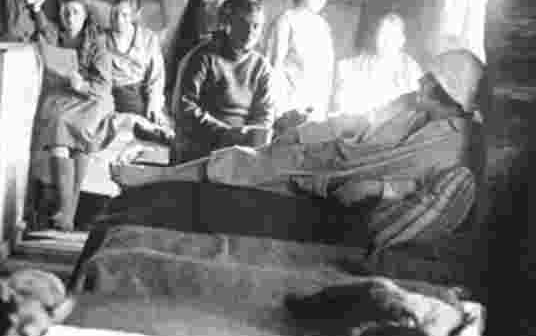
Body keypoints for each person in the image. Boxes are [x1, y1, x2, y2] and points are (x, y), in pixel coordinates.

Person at [113, 50, 484, 246]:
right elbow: (354, 120)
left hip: (340, 180)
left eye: (429, 80)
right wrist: (304, 133)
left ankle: (152, 180)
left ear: (446, 91)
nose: (420, 81)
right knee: (244, 158)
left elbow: (426, 185)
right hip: (328, 155)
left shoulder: (454, 143)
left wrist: (380, 188)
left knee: (239, 164)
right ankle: (155, 177)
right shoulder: (407, 103)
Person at [32, 0, 113, 231]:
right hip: (63, 96)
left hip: (91, 99)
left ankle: (65, 212)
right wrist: (36, 10)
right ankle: (66, 213)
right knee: (58, 119)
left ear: (85, 15)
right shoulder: (54, 34)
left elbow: (104, 86)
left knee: (72, 127)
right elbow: (42, 29)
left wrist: (83, 85)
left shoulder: (97, 43)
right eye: (65, 11)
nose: (70, 17)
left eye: (76, 12)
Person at [171, 0, 276, 162]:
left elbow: (264, 115)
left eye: (256, 26)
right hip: (199, 145)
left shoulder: (261, 67)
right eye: (243, 24)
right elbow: (183, 108)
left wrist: (249, 136)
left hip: (240, 148)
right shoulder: (202, 57)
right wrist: (225, 133)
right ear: (227, 24)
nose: (250, 32)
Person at [263, 0, 335, 124]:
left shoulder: (322, 26)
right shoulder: (285, 21)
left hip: (314, 110)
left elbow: (325, 73)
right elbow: (272, 68)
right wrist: (278, 111)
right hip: (288, 109)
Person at [331, 12, 423, 118]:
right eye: (382, 34)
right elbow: (345, 104)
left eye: (392, 36)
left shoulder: (411, 69)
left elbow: (416, 106)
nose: (386, 41)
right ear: (376, 37)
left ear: (402, 41)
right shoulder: (352, 66)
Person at [104, 0, 166, 124]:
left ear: (134, 15)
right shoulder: (101, 37)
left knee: (143, 126)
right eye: (114, 14)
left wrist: (154, 103)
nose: (118, 20)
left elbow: (156, 77)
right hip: (106, 91)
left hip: (134, 93)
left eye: (124, 15)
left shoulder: (148, 38)